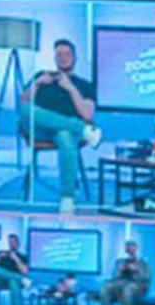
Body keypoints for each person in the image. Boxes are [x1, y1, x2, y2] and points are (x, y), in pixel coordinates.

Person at [22, 37, 101, 214]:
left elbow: (87, 114)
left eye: (67, 54)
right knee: (25, 110)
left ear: (75, 58)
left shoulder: (84, 85)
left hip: (64, 133)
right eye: (59, 54)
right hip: (41, 130)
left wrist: (70, 88)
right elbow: (24, 104)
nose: (63, 58)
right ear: (54, 58)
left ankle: (67, 198)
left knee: (65, 135)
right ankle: (82, 129)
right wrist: (37, 84)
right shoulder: (41, 77)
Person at [101, 238, 151, 305]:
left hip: (136, 284)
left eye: (131, 247)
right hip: (120, 282)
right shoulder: (120, 261)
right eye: (127, 247)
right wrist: (119, 271)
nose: (129, 249)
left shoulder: (143, 262)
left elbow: (146, 277)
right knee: (105, 288)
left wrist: (137, 271)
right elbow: (114, 276)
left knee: (127, 289)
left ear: (136, 248)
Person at [0, 233, 30, 305]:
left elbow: (25, 272)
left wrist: (15, 258)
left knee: (12, 282)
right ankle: (17, 277)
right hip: (0, 279)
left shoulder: (22, 256)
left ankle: (15, 278)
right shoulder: (1, 253)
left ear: (18, 244)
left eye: (13, 242)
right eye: (10, 242)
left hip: (13, 281)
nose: (11, 244)